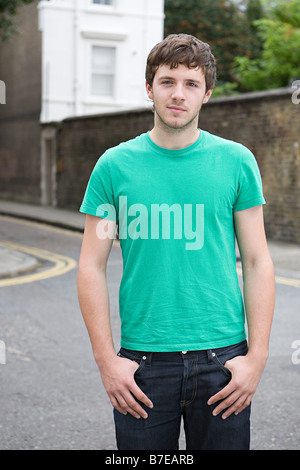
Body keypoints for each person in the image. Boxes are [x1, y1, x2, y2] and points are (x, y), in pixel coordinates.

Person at [77, 34, 275, 450]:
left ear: (207, 94)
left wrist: (256, 358)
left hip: (222, 361)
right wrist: (106, 361)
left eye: (191, 84)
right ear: (149, 89)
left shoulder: (237, 162)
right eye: (167, 82)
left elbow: (257, 261)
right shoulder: (113, 167)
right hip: (143, 365)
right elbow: (90, 265)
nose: (178, 94)